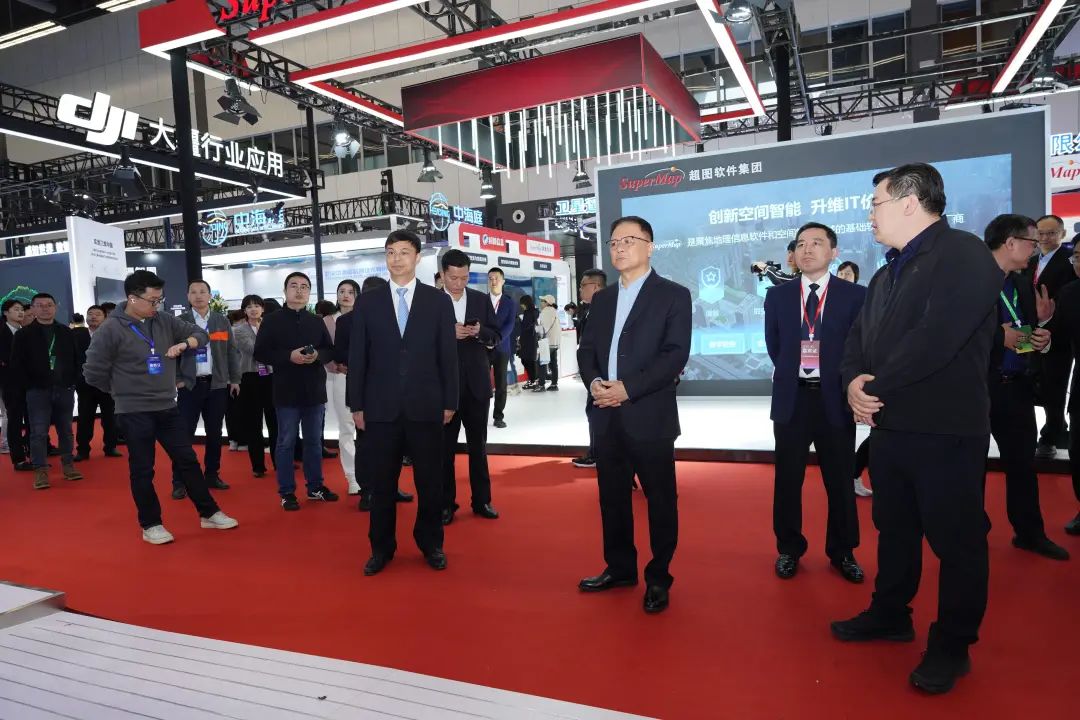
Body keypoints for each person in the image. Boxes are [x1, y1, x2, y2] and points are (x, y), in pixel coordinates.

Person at [832, 163, 1003, 695]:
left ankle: (952, 646)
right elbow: (856, 339)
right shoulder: (886, 273)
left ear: (909, 202)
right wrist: (852, 383)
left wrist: (873, 388)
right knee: (895, 529)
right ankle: (890, 613)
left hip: (945, 430)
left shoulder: (964, 254)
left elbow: (936, 339)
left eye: (876, 203)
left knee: (958, 542)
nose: (870, 214)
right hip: (891, 429)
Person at [577, 215, 691, 615]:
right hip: (605, 414)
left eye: (628, 240)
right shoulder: (603, 299)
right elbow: (586, 350)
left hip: (649, 415)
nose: (619, 248)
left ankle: (659, 577)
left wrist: (628, 388)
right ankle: (620, 568)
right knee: (612, 499)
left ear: (649, 246)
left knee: (660, 500)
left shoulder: (673, 295)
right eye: (613, 242)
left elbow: (675, 355)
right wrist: (595, 382)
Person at [82, 270, 238, 544]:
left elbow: (200, 335)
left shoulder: (164, 320)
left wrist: (186, 344)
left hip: (167, 406)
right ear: (133, 299)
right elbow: (93, 373)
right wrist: (122, 391)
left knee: (187, 460)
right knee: (143, 468)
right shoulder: (110, 329)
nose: (157, 305)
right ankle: (151, 524)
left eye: (160, 300)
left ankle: (208, 512)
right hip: (133, 410)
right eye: (152, 300)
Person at [348, 230, 457, 576]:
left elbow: (448, 356)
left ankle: (431, 543)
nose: (396, 259)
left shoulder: (437, 301)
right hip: (380, 409)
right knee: (381, 484)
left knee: (430, 483)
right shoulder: (369, 302)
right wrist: (356, 404)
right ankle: (381, 548)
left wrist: (450, 400)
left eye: (404, 252)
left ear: (418, 257)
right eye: (391, 252)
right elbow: (358, 356)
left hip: (427, 406)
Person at [765, 222, 866, 583]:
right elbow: (776, 346)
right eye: (801, 244)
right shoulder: (777, 296)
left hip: (834, 398)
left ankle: (843, 551)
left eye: (816, 243)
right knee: (787, 480)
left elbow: (860, 348)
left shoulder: (855, 296)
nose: (807, 250)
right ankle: (789, 549)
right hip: (792, 399)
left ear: (833, 252)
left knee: (839, 480)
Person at [983, 214, 1069, 561]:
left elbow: (1023, 334)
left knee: (1022, 466)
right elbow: (952, 331)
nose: (1035, 249)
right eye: (1032, 242)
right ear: (1011, 242)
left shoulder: (1021, 283)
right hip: (977, 390)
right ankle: (971, 534)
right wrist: (997, 337)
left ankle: (1030, 533)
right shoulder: (969, 281)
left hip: (1016, 388)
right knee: (969, 469)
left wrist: (1041, 333)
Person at [253, 272, 339, 511]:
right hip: (286, 390)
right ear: (285, 291)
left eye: (304, 287)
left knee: (314, 441)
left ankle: (315, 487)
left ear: (309, 292)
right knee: (286, 442)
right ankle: (287, 492)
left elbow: (329, 350)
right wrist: (288, 356)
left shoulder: (316, 321)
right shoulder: (272, 320)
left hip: (314, 390)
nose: (299, 291)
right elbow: (260, 353)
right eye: (294, 286)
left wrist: (317, 356)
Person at [333, 276, 415, 510]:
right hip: (364, 391)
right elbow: (340, 353)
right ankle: (367, 491)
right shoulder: (346, 321)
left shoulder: (401, 317)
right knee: (366, 443)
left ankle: (391, 488)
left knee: (395, 442)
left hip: (396, 391)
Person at [440, 250, 500, 525]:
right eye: (453, 278)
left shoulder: (480, 299)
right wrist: (447, 333)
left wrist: (479, 332)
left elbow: (496, 335)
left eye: (464, 278)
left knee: (479, 447)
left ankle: (482, 500)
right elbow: (419, 342)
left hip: (476, 384)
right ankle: (445, 504)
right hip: (444, 388)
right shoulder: (430, 301)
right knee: (443, 451)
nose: (458, 283)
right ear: (443, 274)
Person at [171, 280, 240, 499]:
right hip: (190, 385)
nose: (198, 295)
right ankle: (179, 481)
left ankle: (212, 474)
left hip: (217, 385)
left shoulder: (221, 321)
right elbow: (171, 354)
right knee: (183, 434)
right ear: (187, 296)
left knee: (214, 433)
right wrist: (177, 379)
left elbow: (231, 351)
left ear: (210, 295)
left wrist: (234, 379)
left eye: (203, 291)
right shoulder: (179, 322)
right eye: (193, 292)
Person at [9, 293, 82, 489]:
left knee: (66, 430)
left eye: (49, 305)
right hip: (37, 391)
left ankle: (68, 465)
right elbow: (17, 364)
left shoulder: (66, 332)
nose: (45, 309)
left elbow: (76, 359)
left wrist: (72, 381)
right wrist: (29, 385)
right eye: (40, 305)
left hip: (64, 388)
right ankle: (40, 470)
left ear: (55, 307)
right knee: (38, 432)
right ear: (33, 309)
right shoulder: (24, 335)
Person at [1030, 215, 1076, 458]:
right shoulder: (1029, 261)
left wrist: (1049, 324)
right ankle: (1050, 430)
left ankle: (1051, 435)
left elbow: (1068, 301)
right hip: (1028, 333)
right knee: (1030, 381)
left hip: (1057, 335)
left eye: (1051, 233)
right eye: (1041, 233)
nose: (1045, 238)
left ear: (1062, 234)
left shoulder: (1070, 262)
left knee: (1054, 385)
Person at [1050, 242, 1080, 536]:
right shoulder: (1070, 293)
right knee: (1078, 451)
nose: (1079, 262)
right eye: (1077, 257)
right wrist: (1042, 321)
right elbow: (1054, 337)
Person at [835, 262, 872, 498]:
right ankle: (850, 475)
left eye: (848, 274)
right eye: (841, 273)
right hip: (836, 377)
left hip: (858, 373)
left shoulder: (863, 299)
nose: (844, 277)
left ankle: (853, 473)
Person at [324, 279, 362, 495]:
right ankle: (352, 477)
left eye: (350, 291)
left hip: (365, 380)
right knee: (346, 427)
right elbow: (324, 349)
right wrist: (335, 365)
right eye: (342, 291)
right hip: (340, 377)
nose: (346, 295)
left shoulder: (365, 317)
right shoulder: (328, 321)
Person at [232, 295, 276, 478]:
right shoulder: (238, 330)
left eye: (257, 306)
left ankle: (279, 461)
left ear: (263, 308)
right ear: (244, 310)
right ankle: (258, 466)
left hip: (271, 377)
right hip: (250, 378)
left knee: (275, 422)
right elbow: (254, 350)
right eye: (249, 307)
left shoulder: (271, 327)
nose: (253, 309)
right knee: (253, 423)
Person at [72, 305, 120, 462]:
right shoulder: (77, 335)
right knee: (84, 418)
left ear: (105, 318)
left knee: (110, 418)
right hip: (85, 384)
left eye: (97, 314)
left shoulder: (112, 335)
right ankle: (83, 450)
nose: (93, 317)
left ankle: (110, 447)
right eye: (90, 314)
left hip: (107, 383)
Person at [573, 269, 607, 469]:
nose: (580, 289)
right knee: (593, 413)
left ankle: (597, 454)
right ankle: (596, 451)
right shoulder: (590, 310)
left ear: (595, 287)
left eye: (583, 285)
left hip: (601, 374)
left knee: (597, 414)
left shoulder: (604, 311)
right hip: (592, 374)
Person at [1, 299, 31, 472]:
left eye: (21, 309)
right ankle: (18, 459)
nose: (20, 312)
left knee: (32, 419)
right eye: (16, 309)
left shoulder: (25, 331)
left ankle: (33, 453)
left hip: (30, 384)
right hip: (11, 385)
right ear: (6, 312)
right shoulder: (2, 332)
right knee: (14, 421)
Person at [487, 267, 515, 429]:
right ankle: (480, 414)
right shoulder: (482, 300)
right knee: (482, 384)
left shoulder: (509, 303)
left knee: (501, 384)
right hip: (483, 348)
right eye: (490, 278)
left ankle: (498, 416)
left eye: (496, 278)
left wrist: (496, 340)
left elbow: (509, 325)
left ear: (503, 281)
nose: (493, 281)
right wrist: (486, 340)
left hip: (502, 348)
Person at [534, 294, 561, 392]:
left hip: (547, 342)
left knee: (541, 363)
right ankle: (554, 384)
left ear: (547, 303)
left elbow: (543, 329)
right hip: (555, 342)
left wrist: (535, 328)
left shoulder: (545, 312)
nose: (540, 303)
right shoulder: (554, 311)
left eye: (542, 301)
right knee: (553, 363)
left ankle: (541, 385)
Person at [518, 295, 540, 389]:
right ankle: (533, 380)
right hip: (532, 339)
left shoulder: (528, 313)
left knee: (526, 360)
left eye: (522, 303)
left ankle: (532, 380)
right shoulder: (535, 312)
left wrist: (519, 321)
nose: (521, 306)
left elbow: (524, 326)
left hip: (527, 339)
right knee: (530, 360)